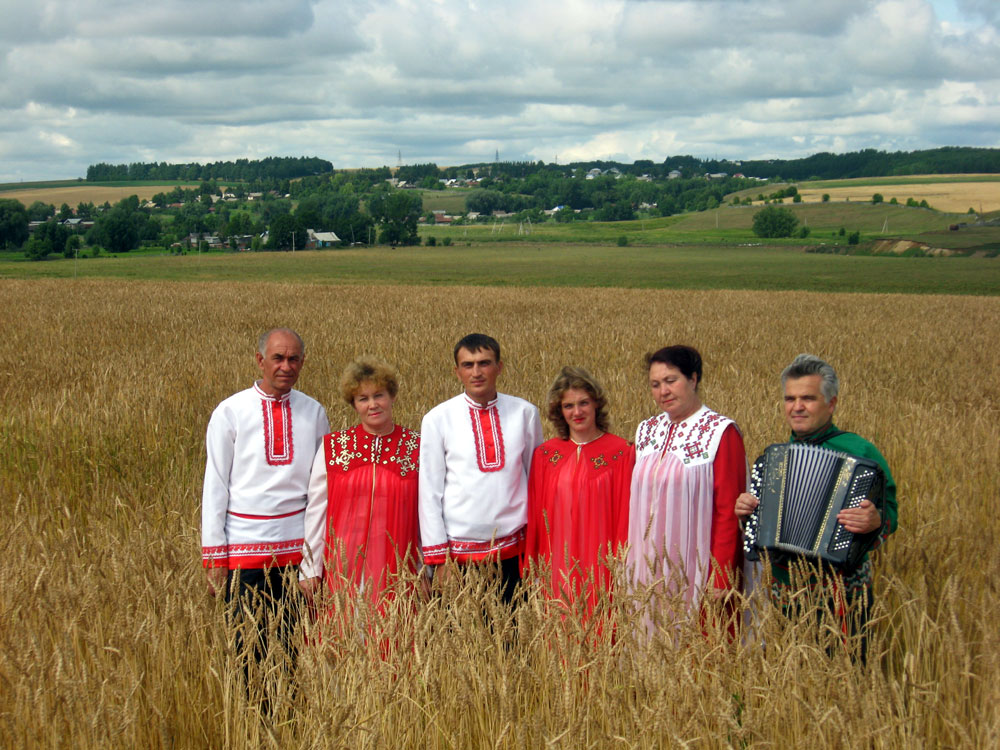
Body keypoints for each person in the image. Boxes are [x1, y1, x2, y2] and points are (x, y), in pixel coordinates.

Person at [734, 354, 897, 657]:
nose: (797, 407)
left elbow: (889, 517)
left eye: (808, 398)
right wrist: (747, 512)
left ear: (831, 403)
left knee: (848, 677)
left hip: (843, 597)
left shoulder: (859, 451)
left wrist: (875, 521)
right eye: (790, 398)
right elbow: (760, 532)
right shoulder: (775, 459)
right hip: (786, 594)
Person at [201, 328, 329, 703]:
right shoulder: (231, 412)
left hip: (297, 558)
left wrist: (314, 562)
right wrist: (214, 557)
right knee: (248, 653)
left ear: (303, 363)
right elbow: (215, 486)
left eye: (293, 359)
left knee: (294, 650)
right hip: (244, 555)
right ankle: (255, 728)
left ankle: (292, 725)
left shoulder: (314, 411)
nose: (286, 366)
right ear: (260, 360)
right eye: (278, 358)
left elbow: (320, 490)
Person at [627, 345, 747, 631]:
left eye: (671, 380)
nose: (663, 391)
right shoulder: (646, 430)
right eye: (655, 385)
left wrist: (721, 575)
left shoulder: (720, 432)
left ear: (693, 379)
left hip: (696, 567)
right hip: (647, 564)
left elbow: (728, 510)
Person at [418, 333, 543, 604]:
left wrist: (536, 551)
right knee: (461, 644)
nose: (476, 372)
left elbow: (536, 481)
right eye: (468, 365)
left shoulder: (526, 414)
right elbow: (429, 492)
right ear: (457, 371)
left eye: (484, 363)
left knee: (514, 641)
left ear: (499, 367)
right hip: (457, 559)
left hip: (514, 555)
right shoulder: (437, 419)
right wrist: (438, 559)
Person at [300, 357, 421, 618]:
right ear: (353, 404)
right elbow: (317, 510)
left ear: (393, 396)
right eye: (363, 398)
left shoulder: (417, 447)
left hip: (399, 568)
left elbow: (426, 512)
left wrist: (426, 568)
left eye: (379, 395)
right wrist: (310, 569)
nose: (373, 404)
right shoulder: (333, 447)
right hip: (342, 570)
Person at [524, 366, 634, 616]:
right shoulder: (545, 455)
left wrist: (621, 564)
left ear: (596, 404)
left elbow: (626, 514)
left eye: (583, 403)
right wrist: (533, 568)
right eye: (568, 406)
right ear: (559, 411)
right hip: (555, 565)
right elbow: (535, 517)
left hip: (602, 565)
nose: (577, 412)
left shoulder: (621, 453)